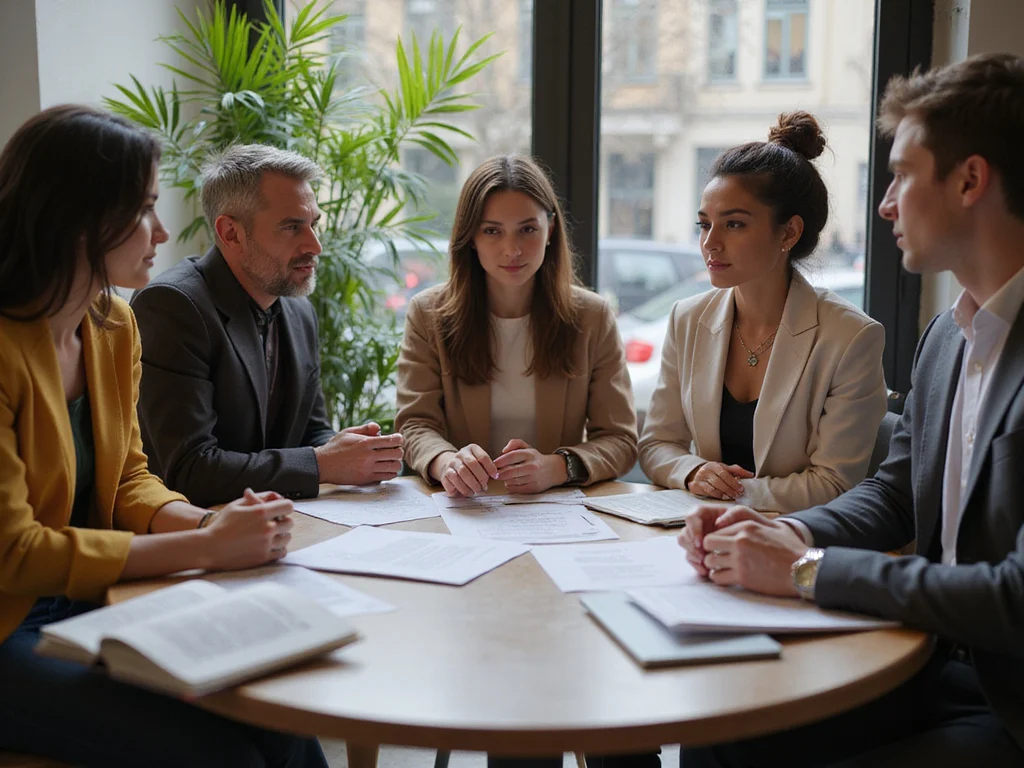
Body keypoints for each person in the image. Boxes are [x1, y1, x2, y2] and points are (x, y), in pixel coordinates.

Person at [678, 53, 1024, 767]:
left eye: (901, 175)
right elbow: (894, 496)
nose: (885, 204)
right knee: (715, 730)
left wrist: (805, 569)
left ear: (970, 180)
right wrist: (778, 528)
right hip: (926, 659)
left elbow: (1014, 598)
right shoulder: (946, 340)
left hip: (1013, 706)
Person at [0, 105, 328, 766]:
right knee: (220, 755)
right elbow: (15, 552)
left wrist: (206, 527)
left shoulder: (113, 326)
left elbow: (128, 479)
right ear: (78, 217)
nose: (163, 229)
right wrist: (204, 548)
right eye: (144, 208)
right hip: (8, 627)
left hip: (90, 602)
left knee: (285, 718)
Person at [639, 111, 887, 513]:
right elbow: (656, 444)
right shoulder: (686, 319)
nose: (710, 244)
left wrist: (729, 495)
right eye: (705, 225)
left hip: (794, 544)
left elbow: (836, 482)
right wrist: (692, 472)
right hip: (698, 537)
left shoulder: (850, 337)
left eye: (734, 225)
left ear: (789, 232)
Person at [132, 144, 403, 507]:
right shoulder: (173, 306)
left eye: (313, 225)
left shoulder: (298, 309)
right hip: (197, 539)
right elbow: (189, 471)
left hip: (283, 528)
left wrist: (355, 449)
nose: (316, 246)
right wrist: (323, 464)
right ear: (231, 233)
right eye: (292, 227)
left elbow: (310, 431)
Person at [395, 154, 638, 498]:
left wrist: (557, 467)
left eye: (528, 230)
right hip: (465, 505)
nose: (512, 250)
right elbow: (415, 425)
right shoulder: (428, 313)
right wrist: (448, 461)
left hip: (553, 507)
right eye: (492, 231)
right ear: (471, 237)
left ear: (550, 230)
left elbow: (621, 439)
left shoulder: (592, 316)